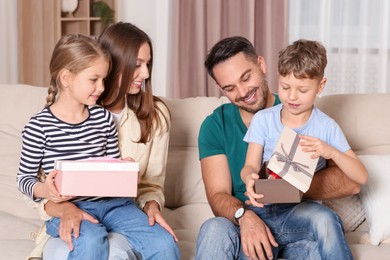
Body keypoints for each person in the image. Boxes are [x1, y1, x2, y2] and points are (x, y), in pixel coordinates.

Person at [196, 36, 361, 260]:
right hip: (249, 222)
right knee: (214, 228)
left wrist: (290, 184)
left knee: (321, 239)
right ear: (220, 88)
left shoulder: (300, 110)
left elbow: (351, 182)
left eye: (246, 78)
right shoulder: (215, 125)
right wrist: (245, 216)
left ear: (261, 65)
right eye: (230, 88)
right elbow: (218, 195)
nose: (243, 91)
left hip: (297, 223)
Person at [23, 24, 180, 260]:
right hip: (72, 214)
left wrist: (132, 182)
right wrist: (63, 206)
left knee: (163, 244)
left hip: (119, 209)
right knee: (98, 245)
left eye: (148, 64)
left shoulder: (143, 116)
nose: (146, 74)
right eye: (137, 64)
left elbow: (146, 184)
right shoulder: (56, 115)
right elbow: (36, 186)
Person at [240, 39, 368, 259]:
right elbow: (250, 165)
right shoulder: (263, 119)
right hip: (262, 209)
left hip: (299, 210)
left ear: (321, 86)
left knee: (327, 220)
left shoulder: (326, 126)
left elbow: (361, 176)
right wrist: (249, 178)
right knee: (254, 250)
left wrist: (331, 152)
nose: (291, 96)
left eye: (302, 90)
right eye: (285, 87)